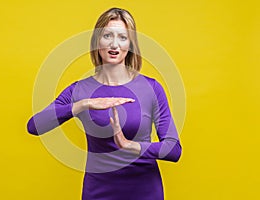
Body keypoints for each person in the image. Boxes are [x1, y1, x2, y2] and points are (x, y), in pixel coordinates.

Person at [27, 7, 182, 200]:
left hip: (144, 190)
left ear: (131, 44)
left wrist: (128, 145)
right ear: (96, 41)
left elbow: (174, 150)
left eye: (122, 38)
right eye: (107, 35)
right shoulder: (80, 91)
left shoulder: (151, 88)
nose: (114, 44)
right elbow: (34, 126)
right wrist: (82, 105)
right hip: (98, 192)